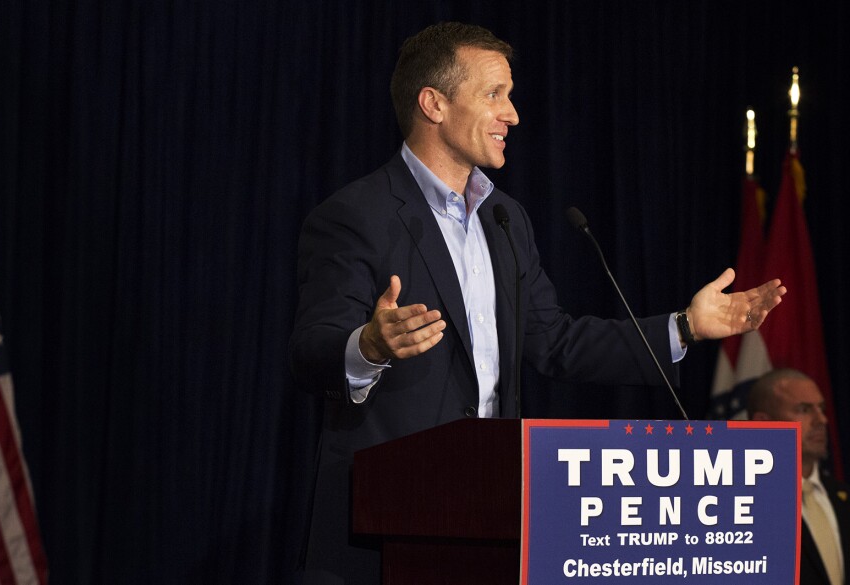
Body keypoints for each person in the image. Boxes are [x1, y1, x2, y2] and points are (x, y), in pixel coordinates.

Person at [289, 22, 787, 585]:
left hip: (488, 521)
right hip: (383, 532)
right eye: (494, 94)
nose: (514, 114)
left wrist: (685, 327)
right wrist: (369, 346)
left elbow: (555, 342)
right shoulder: (357, 215)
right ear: (433, 103)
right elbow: (310, 352)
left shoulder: (506, 219)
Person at [748, 369, 849, 585]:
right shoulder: (744, 507)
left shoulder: (843, 496)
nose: (822, 420)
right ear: (763, 424)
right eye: (804, 410)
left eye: (821, 409)